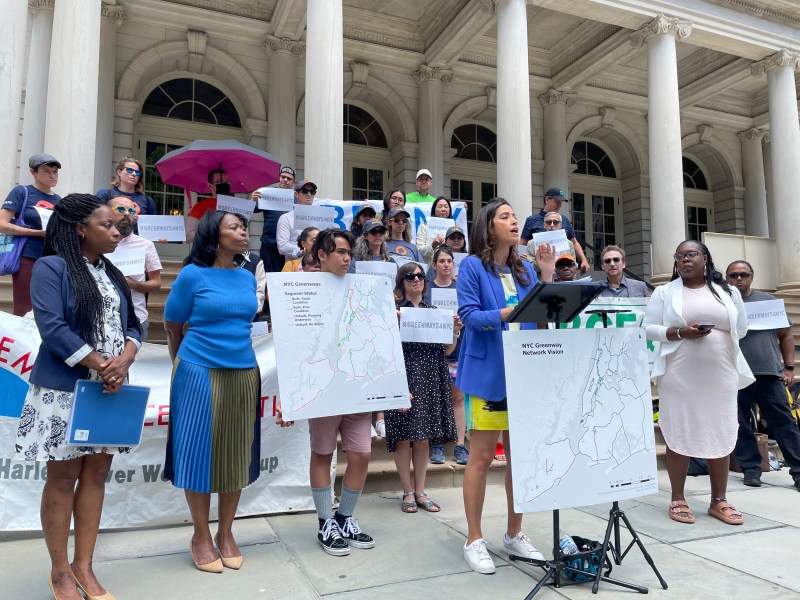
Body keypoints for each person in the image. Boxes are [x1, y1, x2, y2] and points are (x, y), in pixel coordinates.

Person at [14, 193, 141, 600]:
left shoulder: (113, 273)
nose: (116, 229)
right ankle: (60, 572)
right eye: (106, 224)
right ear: (79, 229)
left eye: (117, 224)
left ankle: (84, 566)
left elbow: (136, 324)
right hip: (65, 390)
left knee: (97, 476)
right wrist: (104, 363)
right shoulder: (52, 267)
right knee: (63, 477)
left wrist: (125, 357)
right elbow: (52, 327)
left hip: (108, 388)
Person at [456, 197, 555, 574]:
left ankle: (514, 533)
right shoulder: (471, 266)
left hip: (524, 373)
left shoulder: (526, 270)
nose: (515, 222)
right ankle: (474, 538)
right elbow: (468, 316)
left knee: (521, 459)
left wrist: (546, 276)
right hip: (487, 375)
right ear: (488, 225)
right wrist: (507, 313)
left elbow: (543, 317)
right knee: (480, 459)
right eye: (506, 216)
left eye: (515, 217)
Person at [163, 210, 261, 573]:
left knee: (235, 453)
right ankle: (201, 535)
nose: (242, 232)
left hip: (244, 370)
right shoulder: (191, 274)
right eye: (234, 227)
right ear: (213, 235)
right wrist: (182, 365)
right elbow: (173, 326)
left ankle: (226, 533)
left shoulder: (247, 277)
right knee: (198, 453)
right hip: (197, 370)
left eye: (244, 227)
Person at [277, 229, 376, 557]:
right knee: (323, 452)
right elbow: (292, 346)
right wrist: (289, 396)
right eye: (341, 252)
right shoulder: (300, 289)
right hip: (322, 386)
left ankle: (345, 516)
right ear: (321, 255)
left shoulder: (362, 287)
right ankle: (324, 522)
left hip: (355, 384)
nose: (347, 258)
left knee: (361, 453)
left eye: (350, 253)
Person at [643, 240, 753, 526]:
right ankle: (678, 497)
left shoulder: (727, 291)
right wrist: (680, 332)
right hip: (680, 374)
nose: (684, 260)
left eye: (691, 254)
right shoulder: (665, 292)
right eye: (679, 256)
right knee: (679, 430)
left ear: (705, 258)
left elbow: (741, 327)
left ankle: (719, 500)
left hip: (720, 373)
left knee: (721, 430)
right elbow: (648, 329)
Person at [389, 262, 459, 513]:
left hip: (431, 374)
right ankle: (407, 491)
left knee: (423, 438)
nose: (416, 279)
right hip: (404, 375)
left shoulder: (435, 311)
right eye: (410, 276)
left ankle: (420, 490)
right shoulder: (394, 311)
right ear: (402, 282)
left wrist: (454, 333)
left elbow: (446, 351)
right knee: (403, 437)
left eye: (420, 275)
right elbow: (386, 348)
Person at [725, 260, 800, 490]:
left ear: (751, 277)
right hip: (734, 374)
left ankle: (798, 471)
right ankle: (751, 469)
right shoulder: (722, 303)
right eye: (734, 275)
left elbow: (786, 336)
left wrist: (788, 367)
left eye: (744, 275)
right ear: (727, 278)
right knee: (739, 424)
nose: (739, 279)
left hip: (768, 374)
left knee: (784, 423)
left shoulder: (768, 302)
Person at [1, 153, 62, 316]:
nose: (52, 175)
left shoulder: (59, 200)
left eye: (55, 171)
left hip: (52, 259)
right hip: (27, 256)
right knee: (24, 308)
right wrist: (37, 233)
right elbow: (2, 224)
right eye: (46, 171)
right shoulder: (22, 192)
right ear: (33, 172)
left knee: (49, 309)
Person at [425, 247, 469, 466]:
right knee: (435, 400)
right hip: (433, 352)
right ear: (433, 265)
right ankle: (437, 443)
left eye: (449, 261)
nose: (446, 264)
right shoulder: (426, 289)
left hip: (458, 348)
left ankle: (460, 445)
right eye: (441, 261)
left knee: (458, 398)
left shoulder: (460, 289)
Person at [107, 196, 163, 342]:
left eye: (131, 210)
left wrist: (132, 284)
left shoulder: (146, 245)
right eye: (120, 209)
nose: (126, 213)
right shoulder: (99, 242)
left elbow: (156, 283)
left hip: (136, 317)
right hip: (104, 316)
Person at [519, 188, 589, 272]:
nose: (559, 205)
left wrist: (583, 260)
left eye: (561, 203)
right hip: (540, 271)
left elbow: (574, 242)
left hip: (562, 271)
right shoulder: (532, 220)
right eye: (557, 202)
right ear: (547, 199)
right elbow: (522, 243)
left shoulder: (564, 219)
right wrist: (520, 261)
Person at [251, 166, 296, 273]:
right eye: (283, 177)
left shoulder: (297, 198)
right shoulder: (267, 193)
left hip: (288, 246)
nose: (285, 180)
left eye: (289, 179)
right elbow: (253, 210)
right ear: (279, 178)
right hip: (269, 245)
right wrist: (253, 200)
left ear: (293, 182)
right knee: (268, 278)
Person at [186, 169, 231, 243]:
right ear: (210, 185)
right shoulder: (200, 206)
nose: (224, 184)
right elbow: (189, 236)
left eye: (227, 182)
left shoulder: (236, 205)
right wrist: (211, 234)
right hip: (208, 252)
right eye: (219, 181)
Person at [276, 180, 318, 260]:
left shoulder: (320, 218)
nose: (309, 194)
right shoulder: (286, 218)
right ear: (296, 194)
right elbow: (282, 246)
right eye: (305, 191)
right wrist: (305, 250)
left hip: (318, 266)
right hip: (294, 267)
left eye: (312, 192)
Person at [415, 196, 453, 262]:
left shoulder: (454, 228)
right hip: (430, 266)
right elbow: (418, 250)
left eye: (446, 207)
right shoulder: (424, 226)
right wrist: (432, 246)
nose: (443, 209)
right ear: (434, 209)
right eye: (440, 206)